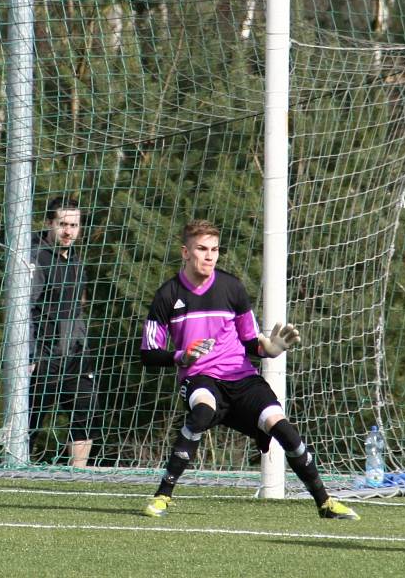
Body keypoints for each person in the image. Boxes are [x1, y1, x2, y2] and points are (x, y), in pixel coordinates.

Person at [140, 219, 359, 520]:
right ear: (185, 252)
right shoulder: (168, 295)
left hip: (240, 376)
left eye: (214, 250)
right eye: (201, 249)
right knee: (202, 411)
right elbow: (148, 354)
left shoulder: (232, 288)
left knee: (281, 425)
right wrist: (182, 357)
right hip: (201, 378)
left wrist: (272, 348)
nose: (209, 256)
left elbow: (251, 343)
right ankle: (163, 496)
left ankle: (325, 502)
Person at [29, 196, 98, 468]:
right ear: (49, 223)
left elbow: (77, 308)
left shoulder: (76, 262)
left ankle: (78, 475)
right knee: (31, 419)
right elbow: (24, 310)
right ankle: (14, 469)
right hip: (43, 356)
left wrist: (82, 346)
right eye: (62, 224)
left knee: (87, 410)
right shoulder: (36, 259)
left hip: (75, 355)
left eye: (74, 225)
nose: (69, 231)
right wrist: (29, 355)